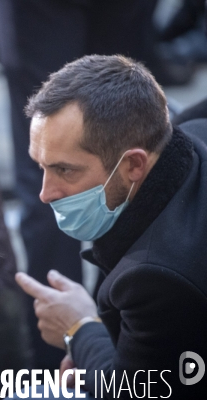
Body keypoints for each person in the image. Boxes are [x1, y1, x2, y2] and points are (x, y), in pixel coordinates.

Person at [16, 55, 207, 398]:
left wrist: (80, 329)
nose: (45, 194)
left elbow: (136, 391)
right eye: (40, 166)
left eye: (65, 170)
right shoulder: (193, 131)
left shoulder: (157, 277)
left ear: (134, 164)